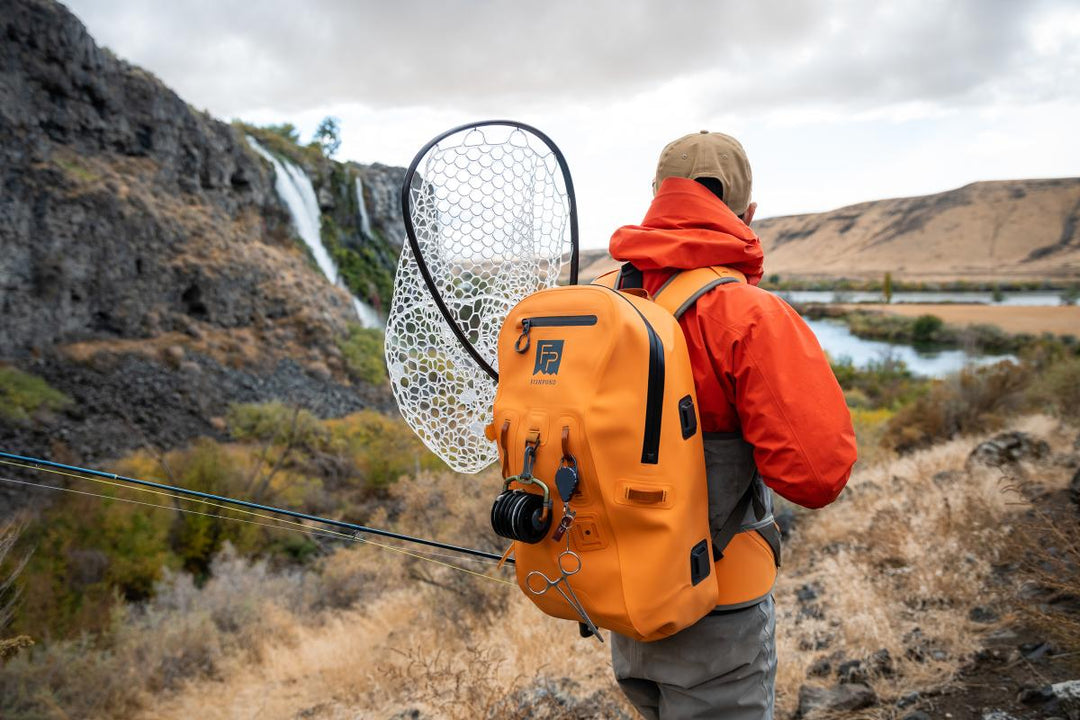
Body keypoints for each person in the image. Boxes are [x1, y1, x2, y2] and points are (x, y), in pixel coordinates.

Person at [605, 131, 857, 720]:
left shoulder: (602, 300)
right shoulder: (745, 315)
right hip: (714, 601)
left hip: (616, 589)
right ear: (747, 214)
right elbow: (817, 478)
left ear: (655, 202)